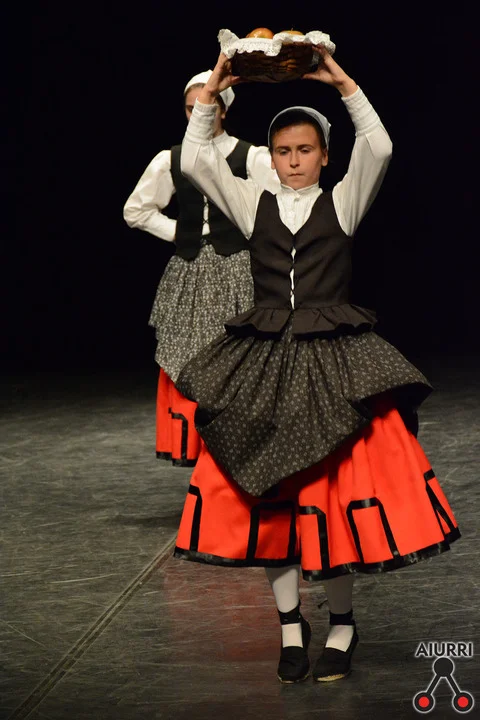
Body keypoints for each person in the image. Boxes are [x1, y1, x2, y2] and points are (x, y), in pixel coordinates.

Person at [172, 47, 460, 684]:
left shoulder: (343, 203)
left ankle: (343, 624)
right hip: (266, 364)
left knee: (329, 499)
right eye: (283, 151)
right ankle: (289, 625)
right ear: (271, 157)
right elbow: (194, 160)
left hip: (332, 363)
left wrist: (343, 83)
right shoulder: (251, 202)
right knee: (267, 494)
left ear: (325, 155)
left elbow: (379, 148)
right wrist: (213, 89)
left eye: (305, 150)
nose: (294, 160)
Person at [123, 71, 279, 466]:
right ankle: (195, 448)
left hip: (237, 270)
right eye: (191, 109)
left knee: (237, 357)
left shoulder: (250, 156)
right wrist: (181, 231)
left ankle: (240, 445)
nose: (198, 114)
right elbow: (136, 210)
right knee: (187, 356)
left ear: (223, 110)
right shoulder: (172, 159)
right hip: (191, 271)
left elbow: (278, 204)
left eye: (206, 107)